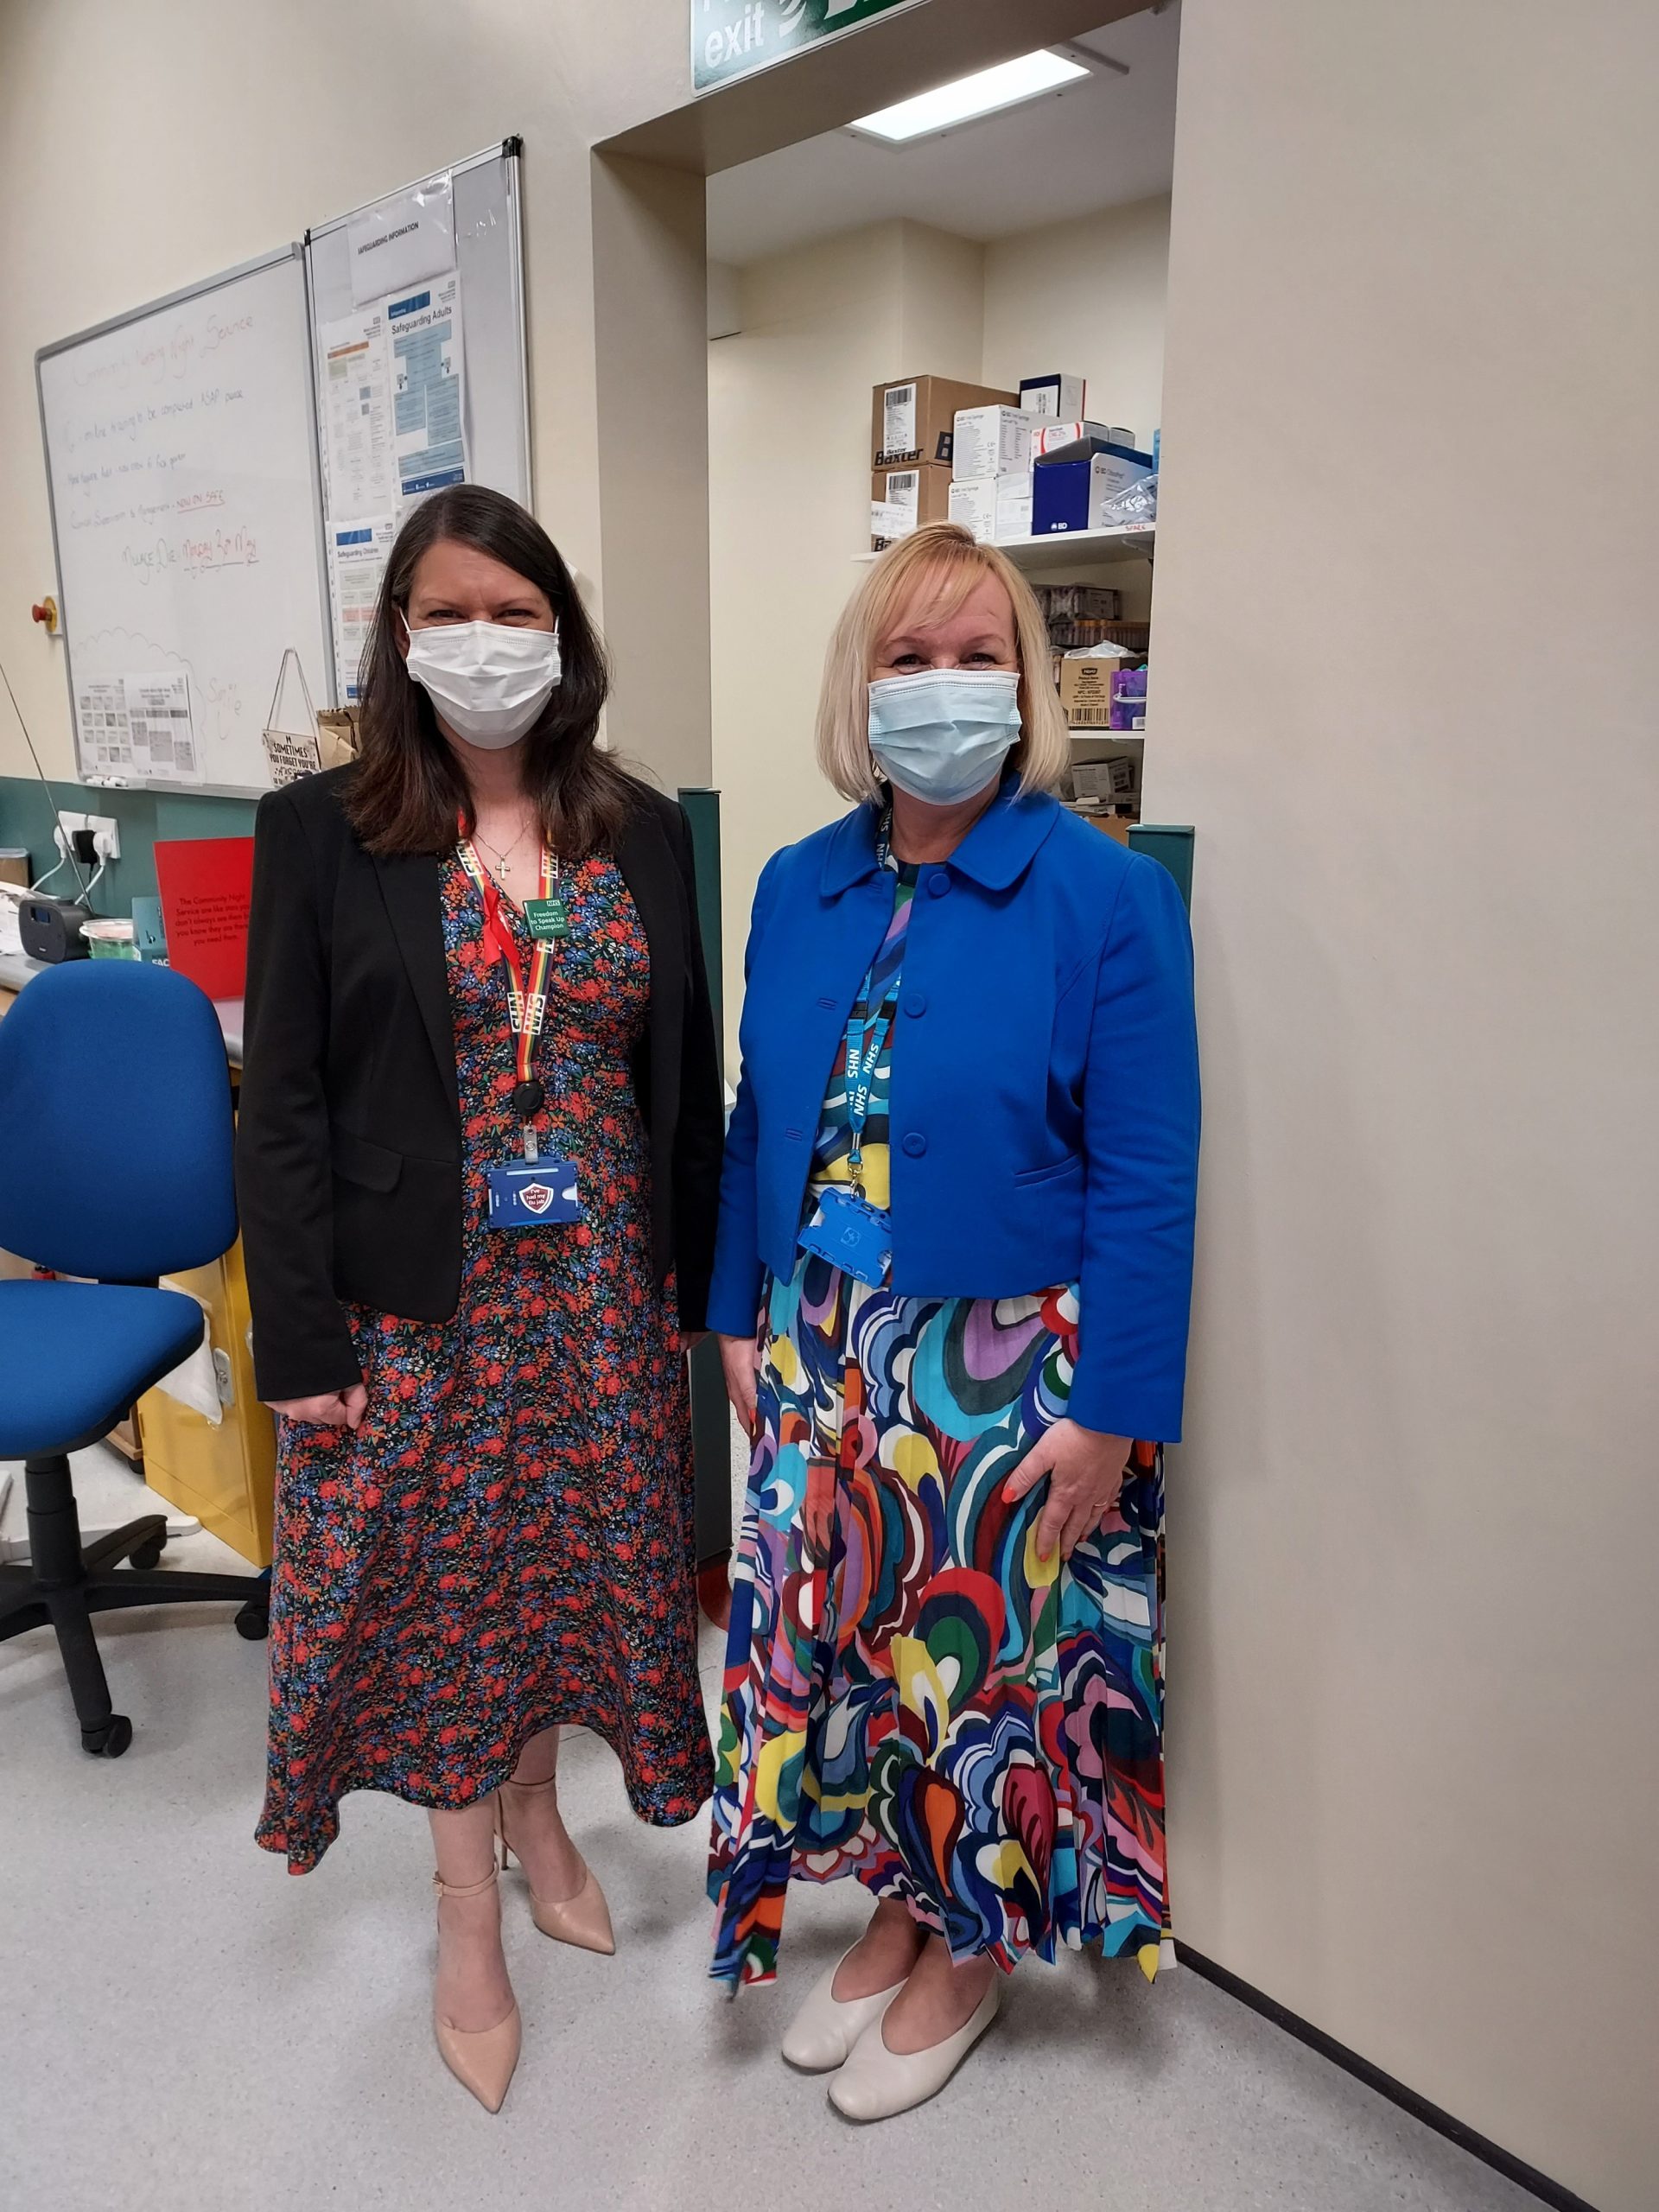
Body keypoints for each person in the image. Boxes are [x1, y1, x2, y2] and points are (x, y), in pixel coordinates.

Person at [705, 522, 1199, 2121]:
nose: (943, 687)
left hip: (1003, 1367)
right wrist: (732, 1313)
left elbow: (1148, 1175)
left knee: (979, 1676)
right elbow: (752, 1116)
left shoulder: (1102, 898)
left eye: (977, 654)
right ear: (864, 686)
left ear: (1027, 683)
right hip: (816, 1341)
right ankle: (903, 1902)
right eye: (908, 658)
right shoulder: (800, 880)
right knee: (851, 1651)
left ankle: (973, 1950)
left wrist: (1113, 1402)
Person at [237, 484, 721, 2113]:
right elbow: (283, 1106)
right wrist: (298, 1342)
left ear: (564, 636)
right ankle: (465, 1917)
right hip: (411, 1313)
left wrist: (702, 1301)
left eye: (519, 614)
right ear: (400, 634)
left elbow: (689, 1088)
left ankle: (536, 1813)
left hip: (595, 1307)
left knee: (561, 1585)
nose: (487, 643)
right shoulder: (319, 831)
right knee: (446, 1610)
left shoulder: (642, 828)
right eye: (452, 613)